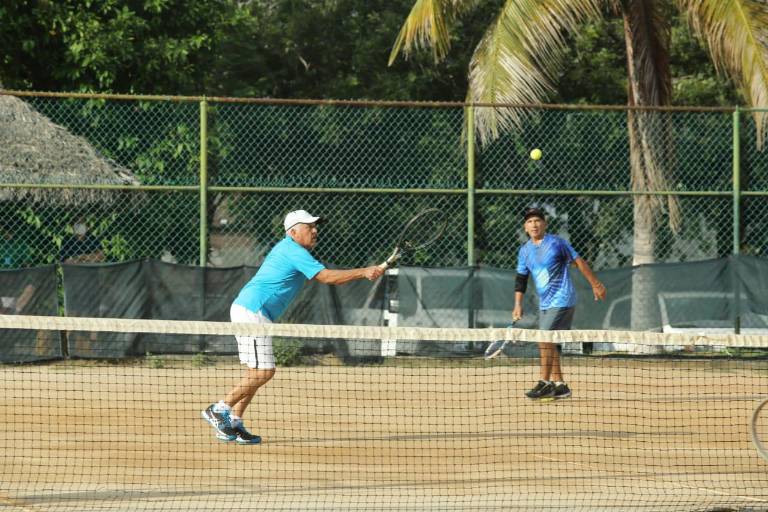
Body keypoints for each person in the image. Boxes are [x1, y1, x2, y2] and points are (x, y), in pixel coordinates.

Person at [201, 209, 384, 444]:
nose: (315, 230)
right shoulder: (292, 249)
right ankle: (219, 409)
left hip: (251, 310)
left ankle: (235, 421)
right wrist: (364, 271)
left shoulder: (294, 250)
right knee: (265, 372)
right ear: (293, 231)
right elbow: (328, 278)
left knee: (255, 373)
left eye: (315, 226)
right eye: (309, 227)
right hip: (252, 310)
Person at [513, 207, 606, 400]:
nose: (534, 224)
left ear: (544, 224)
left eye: (538, 220)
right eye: (530, 221)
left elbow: (579, 262)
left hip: (563, 298)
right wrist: (517, 304)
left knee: (544, 339)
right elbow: (521, 278)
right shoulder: (524, 251)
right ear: (525, 227)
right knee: (550, 342)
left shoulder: (557, 243)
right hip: (545, 303)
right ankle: (561, 385)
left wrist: (595, 284)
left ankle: (545, 382)